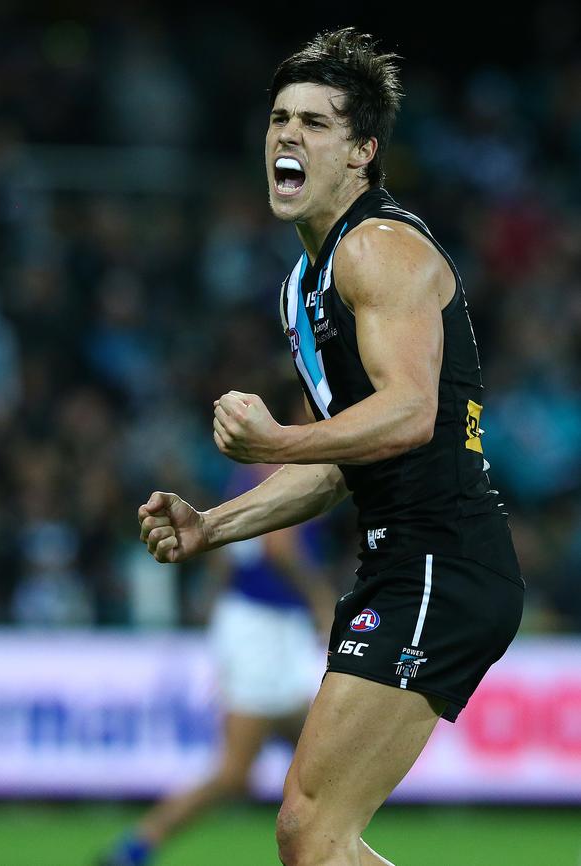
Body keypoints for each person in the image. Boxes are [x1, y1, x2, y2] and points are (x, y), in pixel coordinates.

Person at [137, 28, 525, 866]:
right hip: (402, 562)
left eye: (315, 123)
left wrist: (278, 436)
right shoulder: (301, 285)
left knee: (312, 829)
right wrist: (214, 525)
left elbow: (411, 413)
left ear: (363, 153)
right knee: (312, 835)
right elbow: (345, 462)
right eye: (280, 118)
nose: (287, 135)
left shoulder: (377, 249)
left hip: (441, 561)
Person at [98, 463, 335, 866]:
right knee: (238, 772)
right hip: (263, 627)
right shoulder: (292, 466)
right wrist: (321, 599)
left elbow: (228, 550)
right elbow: (280, 546)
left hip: (264, 623)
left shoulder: (255, 471)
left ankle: (332, 845)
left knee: (319, 755)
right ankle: (134, 848)